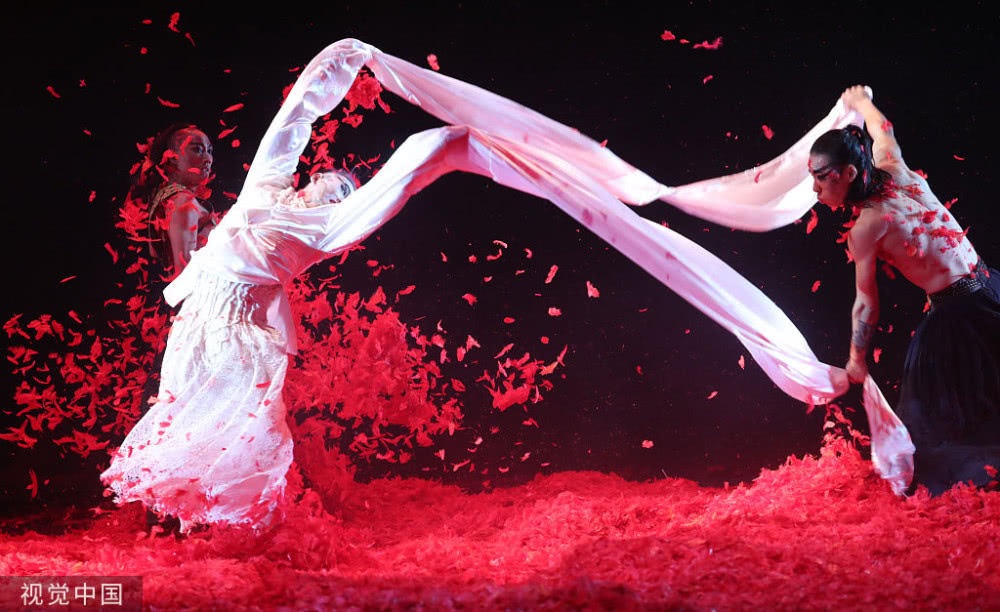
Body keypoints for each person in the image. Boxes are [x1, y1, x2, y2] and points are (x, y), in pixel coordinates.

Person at [809, 85, 1000, 495]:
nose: (815, 189)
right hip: (988, 288)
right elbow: (883, 130)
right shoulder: (895, 167)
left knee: (933, 423)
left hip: (961, 316)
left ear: (849, 173)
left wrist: (856, 359)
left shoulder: (866, 228)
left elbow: (866, 304)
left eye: (822, 178)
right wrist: (860, 101)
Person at [129, 123, 217, 275]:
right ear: (172, 157)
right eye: (197, 149)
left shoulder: (164, 200)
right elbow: (185, 275)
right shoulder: (183, 202)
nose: (208, 159)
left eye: (209, 151)